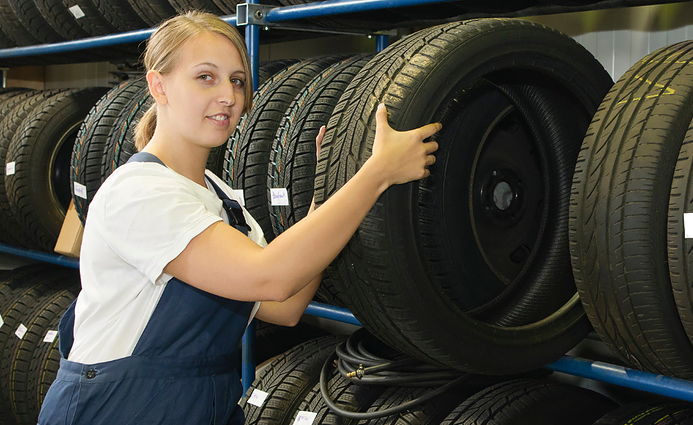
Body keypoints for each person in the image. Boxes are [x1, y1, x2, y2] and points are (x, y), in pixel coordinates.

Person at [38, 10, 439, 425]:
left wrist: (329, 186)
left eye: (237, 80)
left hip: (199, 408)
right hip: (114, 409)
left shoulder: (224, 201)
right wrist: (377, 174)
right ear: (158, 86)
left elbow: (285, 304)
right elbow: (270, 276)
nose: (228, 96)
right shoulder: (139, 193)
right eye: (205, 77)